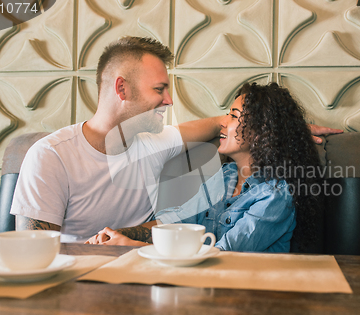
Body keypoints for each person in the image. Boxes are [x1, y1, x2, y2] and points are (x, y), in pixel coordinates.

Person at [11, 36, 340, 243]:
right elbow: (31, 253)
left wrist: (282, 129)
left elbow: (219, 126)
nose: (169, 101)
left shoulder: (153, 144)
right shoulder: (50, 156)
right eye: (159, 89)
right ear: (121, 89)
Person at [87, 82, 323, 253]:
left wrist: (134, 247)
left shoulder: (275, 196)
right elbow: (178, 220)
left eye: (233, 115)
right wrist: (120, 234)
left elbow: (223, 255)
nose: (223, 121)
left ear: (262, 134)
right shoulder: (225, 176)